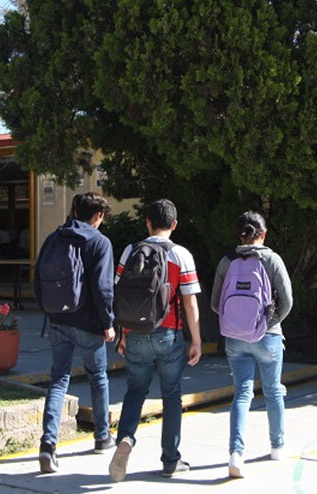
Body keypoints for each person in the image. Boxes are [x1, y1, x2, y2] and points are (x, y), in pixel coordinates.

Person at [108, 199, 203, 481]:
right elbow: (189, 302)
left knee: (135, 390)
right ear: (174, 225)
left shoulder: (130, 250)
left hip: (135, 333)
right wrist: (195, 339)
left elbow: (120, 295)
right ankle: (170, 460)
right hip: (168, 334)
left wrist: (123, 333)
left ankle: (126, 438)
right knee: (172, 395)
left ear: (147, 221)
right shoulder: (181, 255)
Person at [35, 192, 117, 473]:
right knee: (98, 377)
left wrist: (50, 312)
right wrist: (108, 323)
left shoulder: (53, 238)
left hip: (58, 319)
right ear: (98, 216)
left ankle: (48, 445)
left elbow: (37, 279)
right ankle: (103, 437)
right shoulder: (99, 242)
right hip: (89, 324)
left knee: (59, 380)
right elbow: (104, 289)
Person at [210, 211, 293, 478]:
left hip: (235, 338)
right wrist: (268, 323)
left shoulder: (227, 261)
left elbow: (215, 303)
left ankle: (236, 453)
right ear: (264, 234)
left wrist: (235, 323)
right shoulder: (272, 259)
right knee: (272, 391)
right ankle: (277, 446)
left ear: (240, 233)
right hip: (267, 336)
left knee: (242, 393)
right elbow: (288, 301)